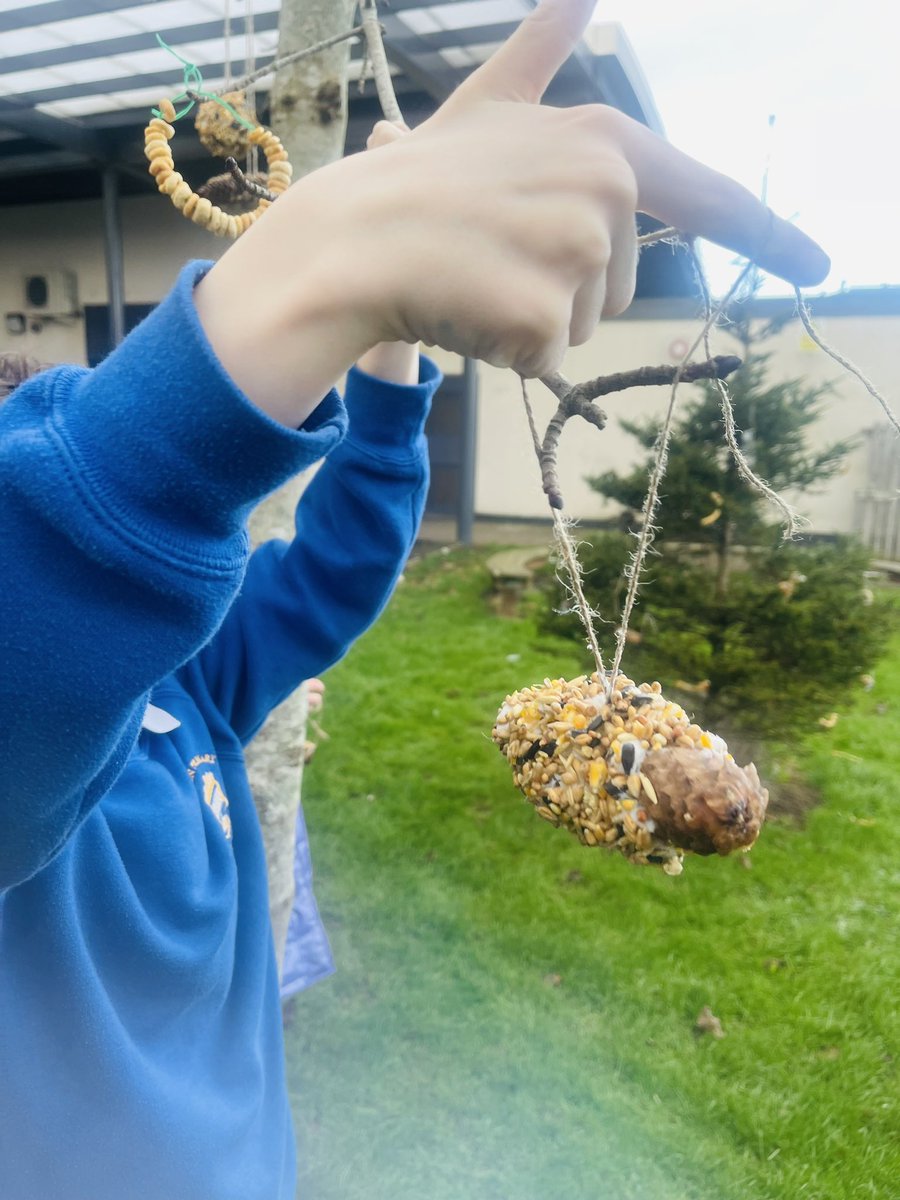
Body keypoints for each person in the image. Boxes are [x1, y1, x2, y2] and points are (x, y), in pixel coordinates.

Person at [0, 1, 829, 1197]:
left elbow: (341, 561)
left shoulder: (195, 686)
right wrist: (313, 272)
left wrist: (388, 342)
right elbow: (38, 609)